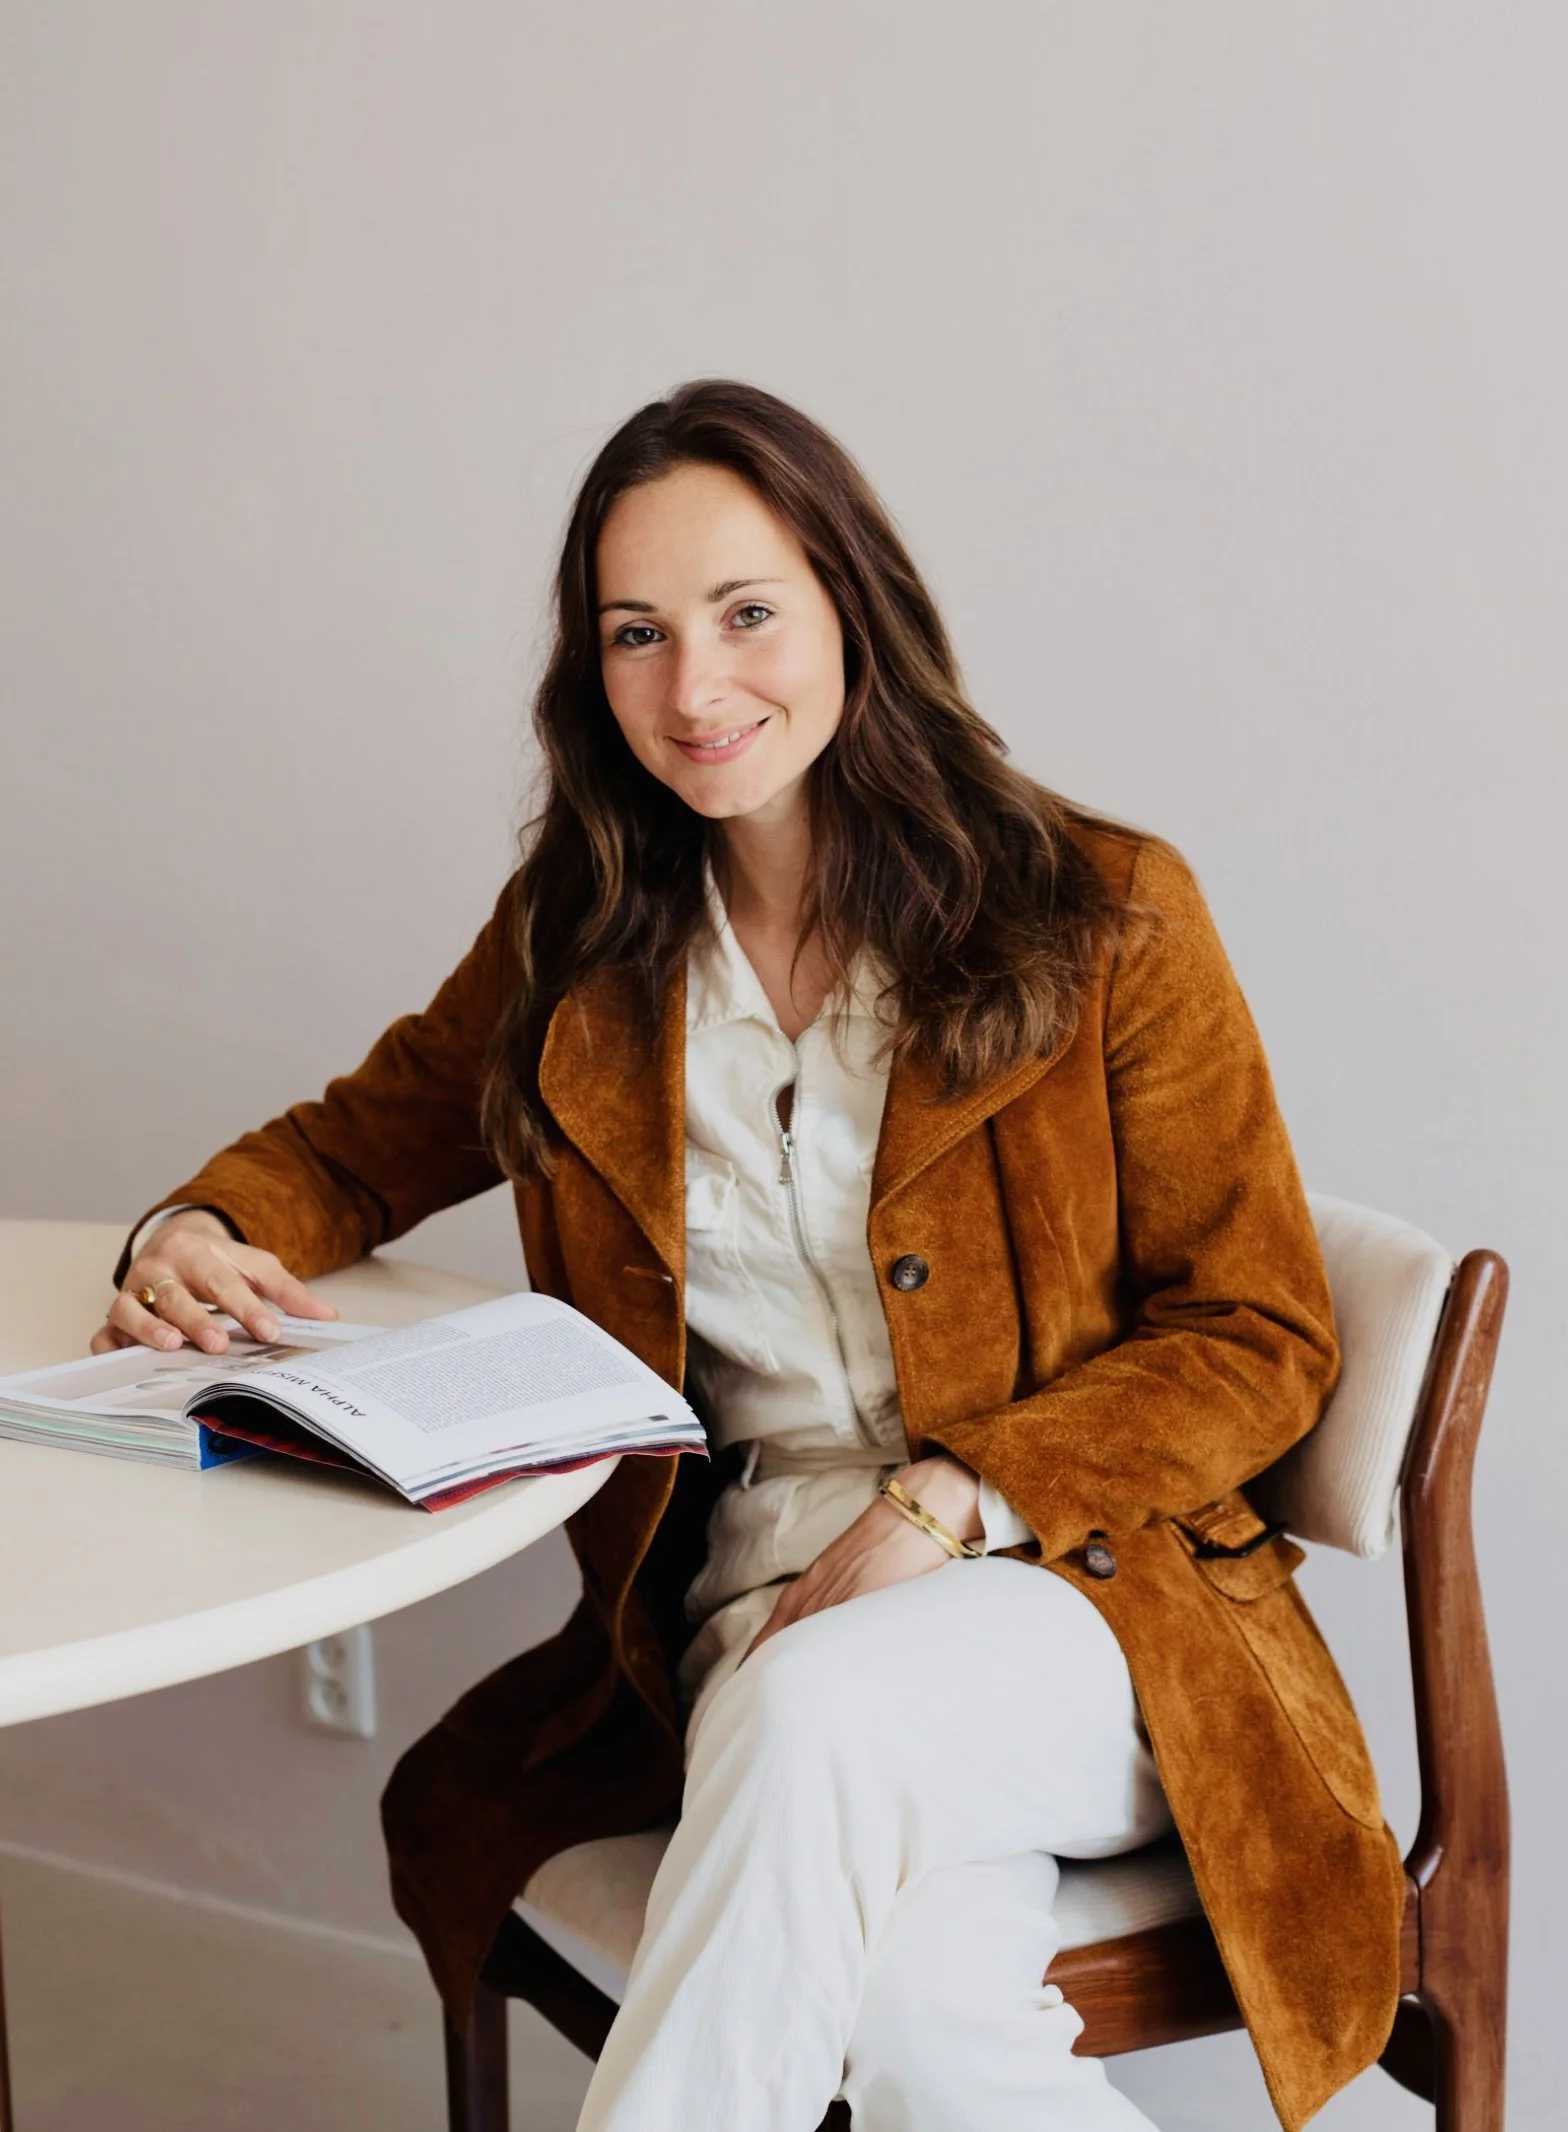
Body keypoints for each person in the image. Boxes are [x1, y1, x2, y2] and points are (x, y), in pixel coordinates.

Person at [102, 380, 1404, 2131]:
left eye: (744, 613)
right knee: (933, 2029)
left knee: (812, 1726)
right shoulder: (584, 943)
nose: (694, 689)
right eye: (636, 634)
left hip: (1097, 1609)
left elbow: (1258, 1332)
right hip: (753, 1618)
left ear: (849, 606)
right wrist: (197, 1226)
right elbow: (355, 1141)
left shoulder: (1104, 915)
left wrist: (954, 1499)